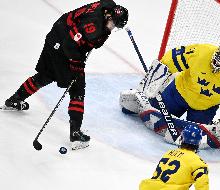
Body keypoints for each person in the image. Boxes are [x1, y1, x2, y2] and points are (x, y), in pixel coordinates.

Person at [3, 0, 128, 150]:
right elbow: (70, 44)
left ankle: (14, 100)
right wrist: (76, 65)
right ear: (108, 16)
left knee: (46, 75)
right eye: (113, 24)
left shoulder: (108, 5)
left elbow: (83, 32)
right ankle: (75, 134)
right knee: (77, 87)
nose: (112, 28)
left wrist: (89, 42)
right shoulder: (94, 25)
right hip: (63, 45)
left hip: (56, 34)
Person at [120, 42, 220, 151]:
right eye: (215, 61)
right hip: (178, 93)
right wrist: (155, 77)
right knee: (154, 113)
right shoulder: (201, 52)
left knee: (194, 139)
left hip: (205, 107)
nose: (215, 65)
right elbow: (173, 57)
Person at [139, 124, 209, 190]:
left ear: (181, 139)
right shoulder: (197, 162)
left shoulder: (168, 153)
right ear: (198, 142)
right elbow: (202, 183)